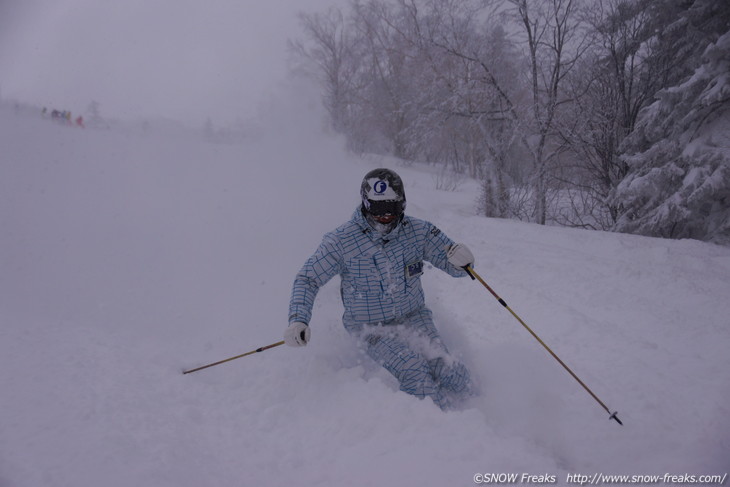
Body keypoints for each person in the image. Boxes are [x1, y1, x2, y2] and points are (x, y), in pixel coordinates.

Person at [285, 168, 476, 410]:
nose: (385, 215)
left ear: (402, 203)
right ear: (365, 204)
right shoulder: (341, 241)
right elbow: (308, 278)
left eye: (392, 208)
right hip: (371, 329)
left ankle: (481, 411)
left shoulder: (419, 231)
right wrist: (298, 319)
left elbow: (454, 262)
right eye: (377, 209)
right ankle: (436, 432)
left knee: (449, 370)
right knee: (414, 370)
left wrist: (464, 263)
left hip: (414, 317)